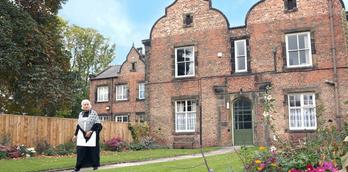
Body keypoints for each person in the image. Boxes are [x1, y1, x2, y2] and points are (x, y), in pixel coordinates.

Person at [72, 99, 102, 172]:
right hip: (82, 135)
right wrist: (75, 135)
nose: (86, 105)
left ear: (90, 105)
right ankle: (77, 167)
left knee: (93, 151)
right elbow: (79, 126)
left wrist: (91, 131)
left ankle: (95, 166)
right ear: (82, 106)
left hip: (92, 135)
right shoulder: (80, 114)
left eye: (87, 104)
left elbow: (98, 124)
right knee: (80, 151)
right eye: (84, 104)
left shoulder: (93, 113)